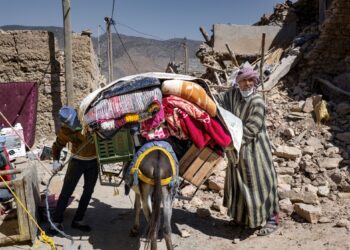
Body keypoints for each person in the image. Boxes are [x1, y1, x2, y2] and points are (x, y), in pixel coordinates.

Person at [215, 67, 279, 236]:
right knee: (238, 184)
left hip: (255, 151)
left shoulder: (257, 102)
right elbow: (217, 101)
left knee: (260, 183)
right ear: (238, 81)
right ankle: (241, 218)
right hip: (236, 152)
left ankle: (272, 219)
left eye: (251, 80)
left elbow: (252, 129)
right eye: (244, 80)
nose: (247, 83)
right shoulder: (233, 95)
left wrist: (230, 143)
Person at [50, 106, 98, 233]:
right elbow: (57, 145)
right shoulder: (65, 130)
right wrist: (55, 161)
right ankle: (56, 221)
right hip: (76, 162)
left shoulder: (88, 120)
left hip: (93, 162)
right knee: (66, 191)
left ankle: (78, 220)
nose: (73, 126)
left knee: (88, 192)